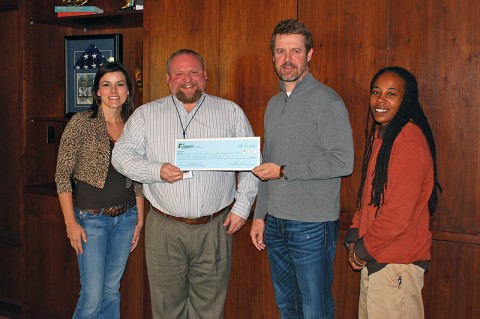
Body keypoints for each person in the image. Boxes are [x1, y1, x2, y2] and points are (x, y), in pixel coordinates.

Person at [111, 49, 259, 319]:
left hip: (215, 227)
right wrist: (156, 171)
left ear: (205, 76)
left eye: (193, 72)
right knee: (167, 309)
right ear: (168, 79)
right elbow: (120, 157)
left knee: (210, 310)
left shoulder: (230, 112)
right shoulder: (146, 115)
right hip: (164, 229)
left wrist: (242, 207)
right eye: (179, 73)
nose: (187, 79)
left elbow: (252, 163)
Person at [250, 19, 354, 319]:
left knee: (314, 308)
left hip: (312, 225)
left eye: (295, 51)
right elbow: (265, 166)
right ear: (272, 56)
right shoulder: (273, 104)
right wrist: (259, 217)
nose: (287, 59)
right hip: (276, 224)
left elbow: (342, 161)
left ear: (309, 54)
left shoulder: (328, 101)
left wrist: (284, 171)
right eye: (280, 51)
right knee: (287, 306)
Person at [344, 66, 441, 318]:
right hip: (377, 261)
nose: (380, 100)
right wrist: (355, 235)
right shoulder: (384, 135)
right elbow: (368, 197)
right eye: (376, 92)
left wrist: (363, 250)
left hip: (395, 265)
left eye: (391, 94)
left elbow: (397, 214)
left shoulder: (408, 141)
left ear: (405, 99)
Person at [55, 61, 145, 318]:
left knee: (111, 290)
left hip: (126, 219)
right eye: (106, 85)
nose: (113, 90)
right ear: (97, 91)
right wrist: (70, 223)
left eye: (120, 84)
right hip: (91, 221)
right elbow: (62, 176)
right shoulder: (81, 123)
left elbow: (139, 176)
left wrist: (139, 219)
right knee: (92, 295)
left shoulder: (134, 125)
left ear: (128, 91)